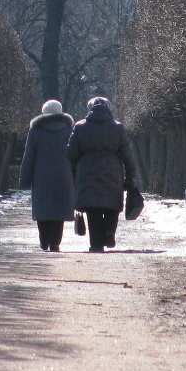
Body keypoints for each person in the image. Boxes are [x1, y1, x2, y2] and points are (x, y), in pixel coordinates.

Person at [67, 96, 138, 253]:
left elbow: (71, 154)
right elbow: (127, 154)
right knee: (112, 205)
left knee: (93, 209)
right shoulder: (117, 127)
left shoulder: (80, 127)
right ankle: (109, 231)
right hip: (112, 169)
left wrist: (73, 174)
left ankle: (96, 244)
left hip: (86, 169)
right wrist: (131, 175)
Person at [19, 99, 75, 251]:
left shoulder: (36, 130)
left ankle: (44, 240)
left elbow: (28, 155)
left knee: (42, 209)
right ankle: (55, 242)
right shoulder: (68, 129)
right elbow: (74, 154)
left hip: (41, 175)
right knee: (59, 210)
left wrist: (24, 179)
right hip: (63, 174)